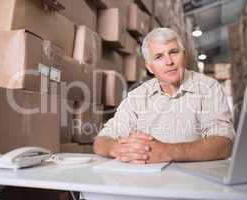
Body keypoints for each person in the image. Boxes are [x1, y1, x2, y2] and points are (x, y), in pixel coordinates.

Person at [94, 28, 235, 164]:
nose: (169, 62)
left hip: (194, 183)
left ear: (184, 55)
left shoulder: (208, 88)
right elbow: (101, 141)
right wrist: (120, 149)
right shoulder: (137, 96)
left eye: (173, 52)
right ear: (149, 67)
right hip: (147, 183)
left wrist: (168, 152)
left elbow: (224, 144)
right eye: (159, 57)